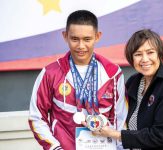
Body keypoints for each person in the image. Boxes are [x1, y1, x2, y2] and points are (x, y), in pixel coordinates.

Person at [28, 10, 128, 150]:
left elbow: (121, 119)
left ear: (97, 36)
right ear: (65, 36)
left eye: (87, 39)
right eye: (75, 39)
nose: (81, 46)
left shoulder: (113, 74)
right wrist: (55, 148)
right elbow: (37, 117)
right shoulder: (50, 73)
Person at [89, 29, 163, 150]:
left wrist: (114, 134)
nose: (144, 59)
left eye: (150, 52)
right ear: (131, 58)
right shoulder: (133, 83)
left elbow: (161, 135)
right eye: (138, 54)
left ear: (159, 54)